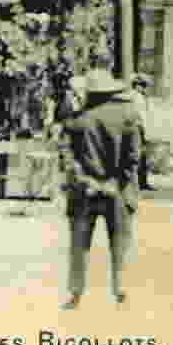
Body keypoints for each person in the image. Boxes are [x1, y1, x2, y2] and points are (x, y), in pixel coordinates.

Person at [61, 69, 142, 309]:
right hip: (118, 190)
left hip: (85, 191)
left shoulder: (78, 120)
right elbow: (134, 156)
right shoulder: (129, 116)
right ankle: (121, 292)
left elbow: (66, 155)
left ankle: (76, 294)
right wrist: (116, 182)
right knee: (120, 241)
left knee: (79, 243)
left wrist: (85, 179)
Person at [126, 74, 156, 191]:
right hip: (137, 129)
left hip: (139, 129)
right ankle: (139, 184)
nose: (146, 88)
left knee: (142, 157)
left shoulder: (139, 96)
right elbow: (141, 117)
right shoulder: (136, 97)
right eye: (144, 85)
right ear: (138, 86)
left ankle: (142, 183)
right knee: (138, 157)